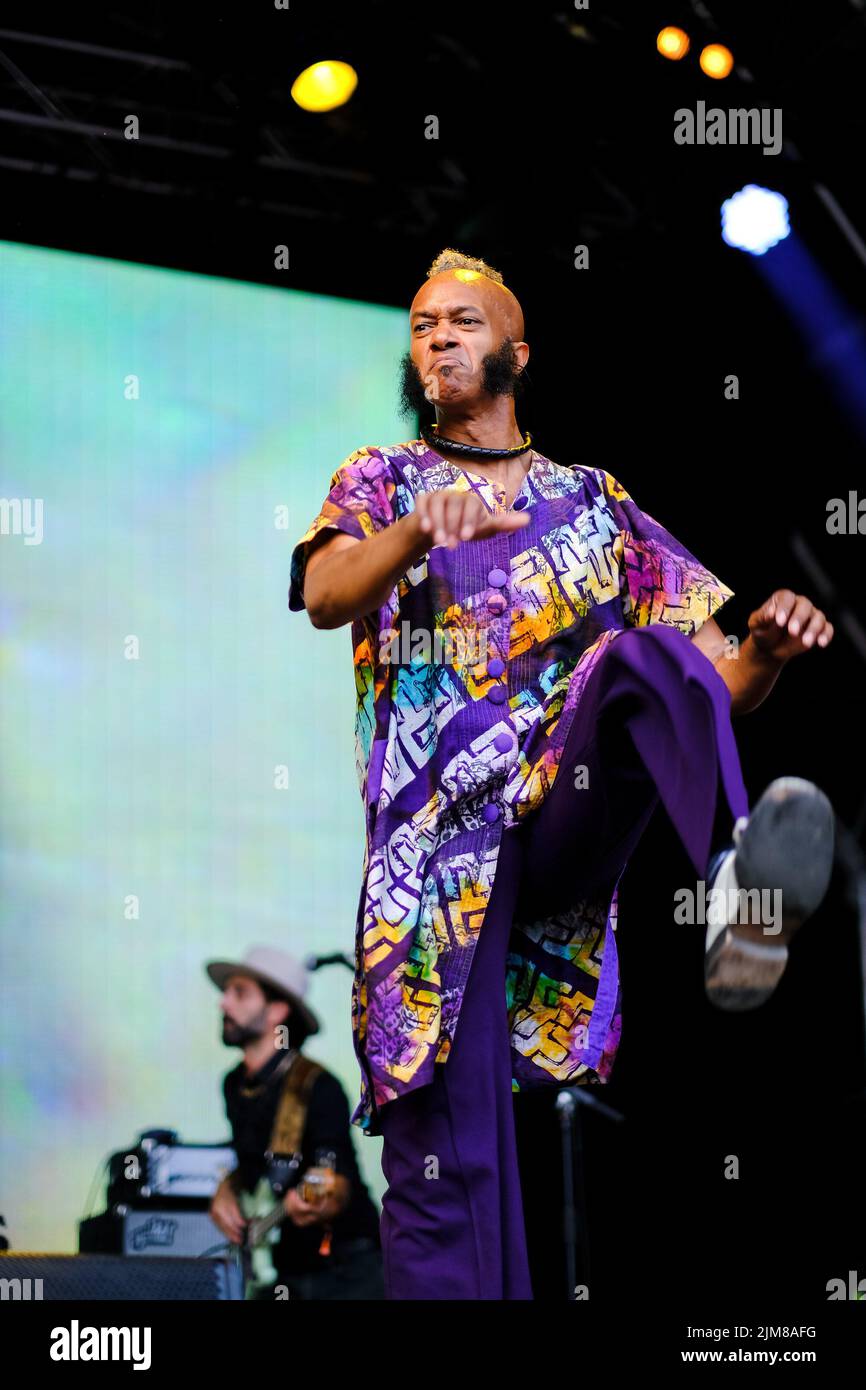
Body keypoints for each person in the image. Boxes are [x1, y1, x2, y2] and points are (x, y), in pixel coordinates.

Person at [287, 247, 836, 1300]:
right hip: (436, 869)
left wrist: (761, 651)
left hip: (556, 821)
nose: (436, 337)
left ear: (515, 350)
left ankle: (734, 878)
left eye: (461, 321)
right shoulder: (381, 477)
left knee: (645, 659)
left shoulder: (594, 501)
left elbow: (704, 680)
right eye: (419, 324)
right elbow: (322, 592)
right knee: (451, 1144)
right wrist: (413, 532)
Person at [206, 945, 384, 1299]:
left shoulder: (317, 1086)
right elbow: (254, 1165)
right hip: (283, 1269)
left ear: (277, 1010)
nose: (223, 1003)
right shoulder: (234, 1084)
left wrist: (325, 1194)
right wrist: (226, 1189)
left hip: (346, 1272)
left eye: (239, 992)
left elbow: (335, 1175)